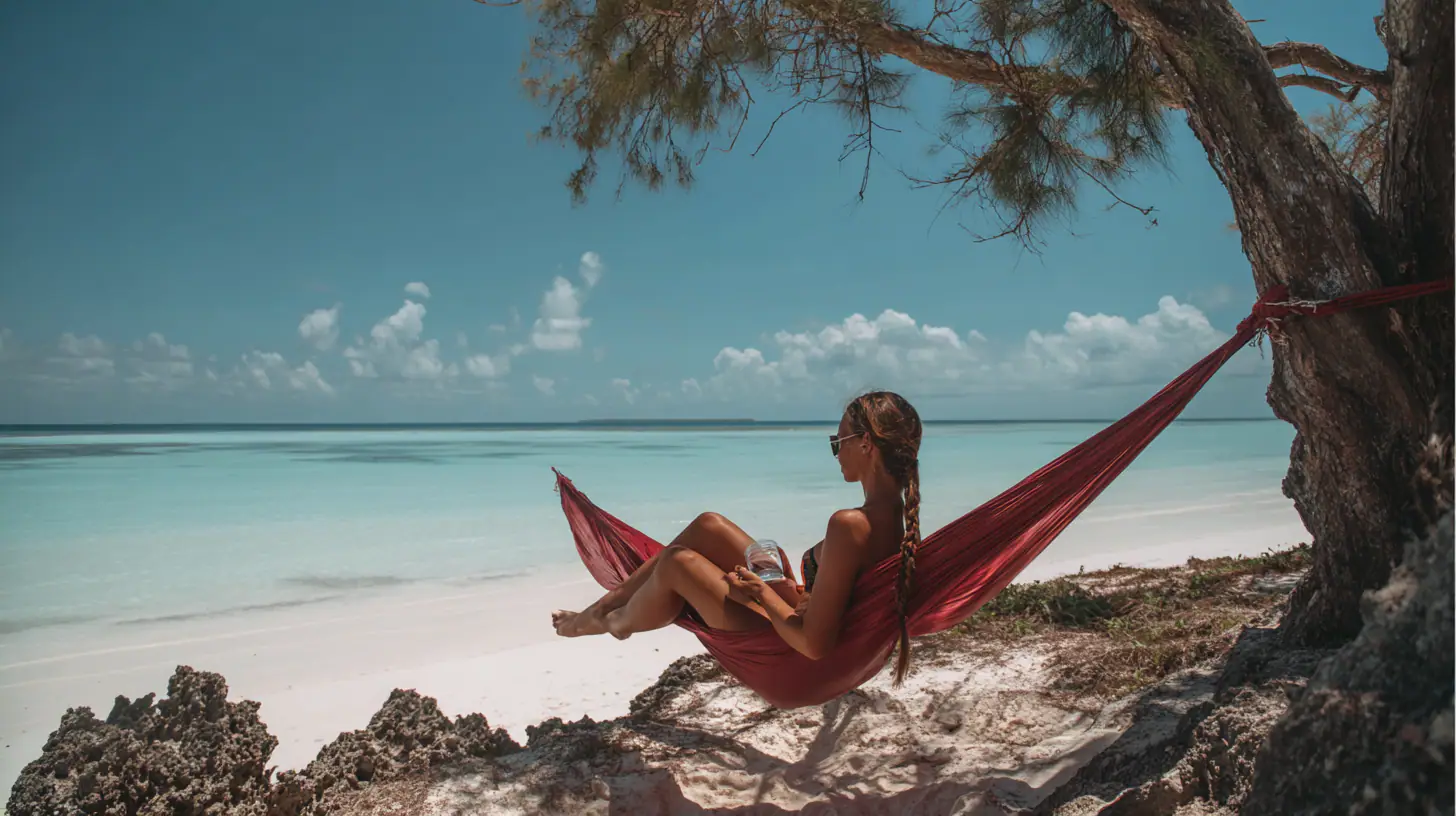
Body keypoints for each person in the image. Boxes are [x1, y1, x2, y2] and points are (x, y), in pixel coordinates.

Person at [551, 390, 925, 681]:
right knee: (709, 525)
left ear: (865, 444)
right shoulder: (893, 521)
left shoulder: (850, 524)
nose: (836, 453)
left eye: (837, 442)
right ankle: (605, 605)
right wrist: (794, 589)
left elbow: (813, 644)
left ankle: (615, 622)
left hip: (789, 660)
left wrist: (760, 591)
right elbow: (838, 601)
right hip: (796, 616)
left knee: (679, 563)